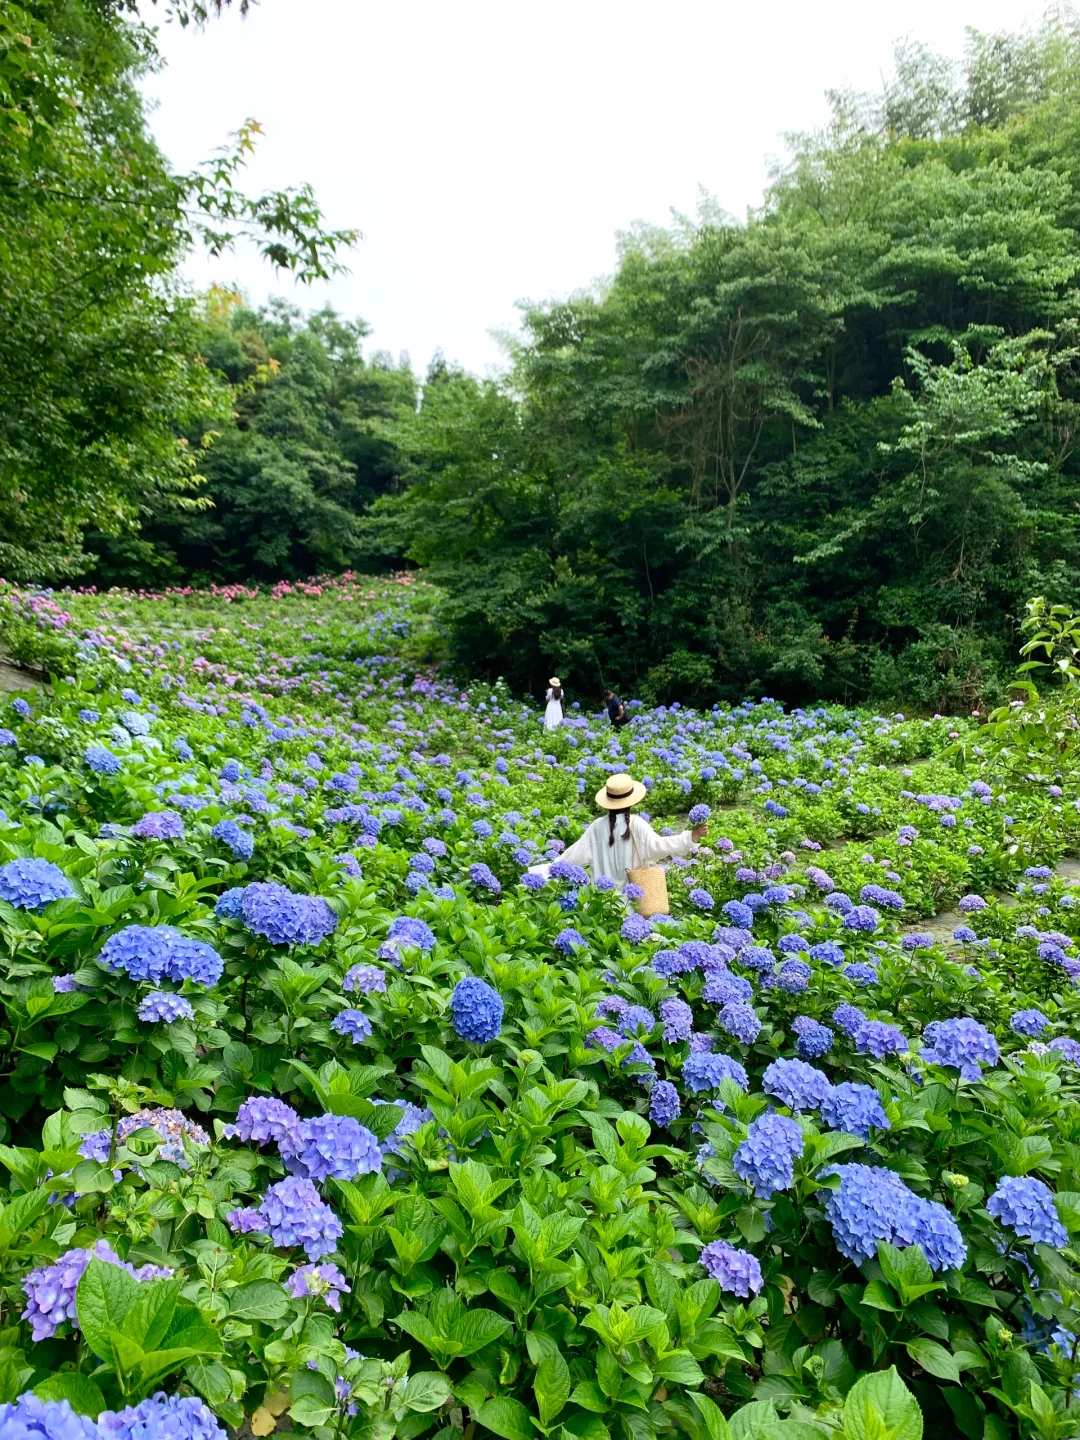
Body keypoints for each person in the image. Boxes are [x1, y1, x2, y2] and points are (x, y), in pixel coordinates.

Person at [551, 772, 707, 885]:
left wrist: (547, 870)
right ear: (632, 801)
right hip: (633, 903)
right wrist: (691, 836)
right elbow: (659, 847)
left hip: (601, 903)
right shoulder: (637, 824)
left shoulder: (596, 826)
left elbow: (573, 857)